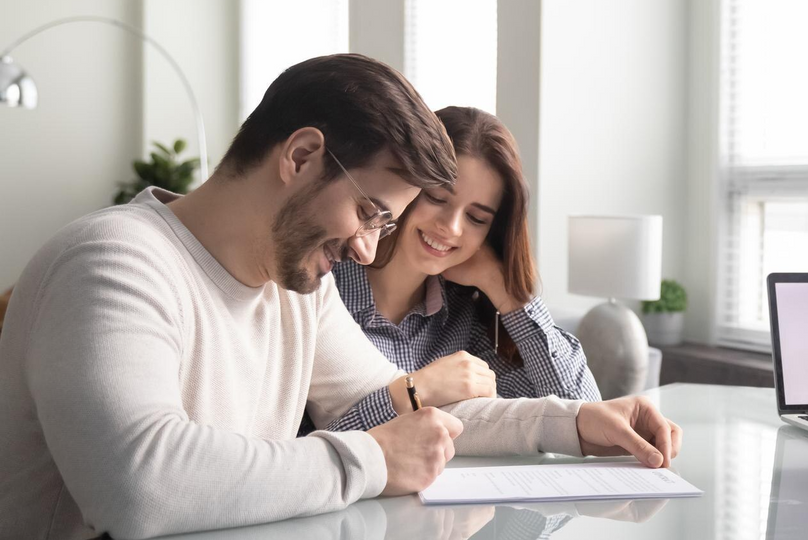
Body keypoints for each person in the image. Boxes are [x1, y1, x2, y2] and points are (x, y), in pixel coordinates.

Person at [0, 54, 681, 540]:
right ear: (300, 156)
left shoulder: (293, 286)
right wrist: (375, 458)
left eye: (381, 224)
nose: (364, 248)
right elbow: (139, 487)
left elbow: (429, 415)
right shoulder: (111, 262)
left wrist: (576, 422)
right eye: (368, 211)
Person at [311, 106, 598, 435]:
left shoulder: (467, 322)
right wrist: (418, 390)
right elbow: (311, 447)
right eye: (436, 197)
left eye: (477, 219)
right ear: (407, 186)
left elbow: (581, 411)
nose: (450, 227)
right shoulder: (320, 288)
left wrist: (505, 290)